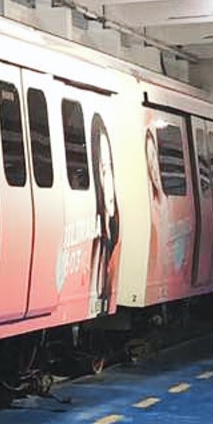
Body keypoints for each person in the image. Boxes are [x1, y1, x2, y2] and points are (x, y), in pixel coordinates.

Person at [89, 114, 121, 316]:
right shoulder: (96, 246)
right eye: (102, 170)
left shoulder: (115, 245)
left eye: (110, 170)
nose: (108, 180)